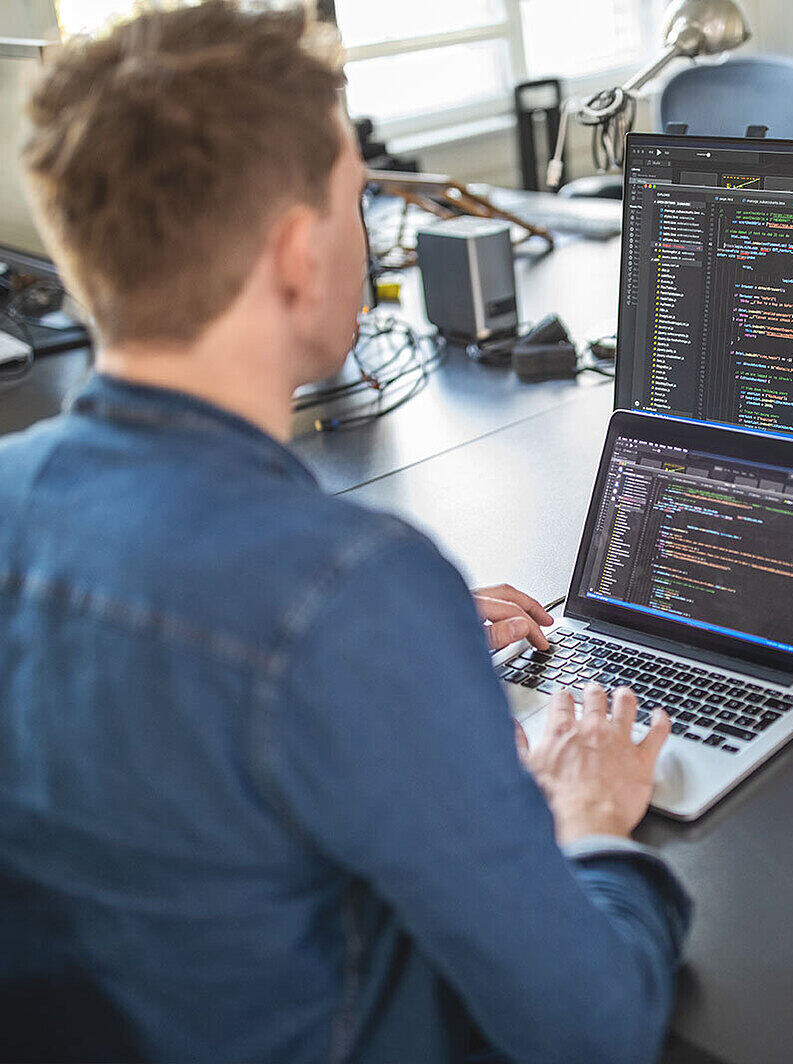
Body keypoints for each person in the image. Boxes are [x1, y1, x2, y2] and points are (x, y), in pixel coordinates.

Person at [0, 3, 690, 1062]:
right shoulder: (347, 591)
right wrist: (593, 820)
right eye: (355, 200)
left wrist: (394, 658)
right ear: (292, 252)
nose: (363, 234)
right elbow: (593, 1027)